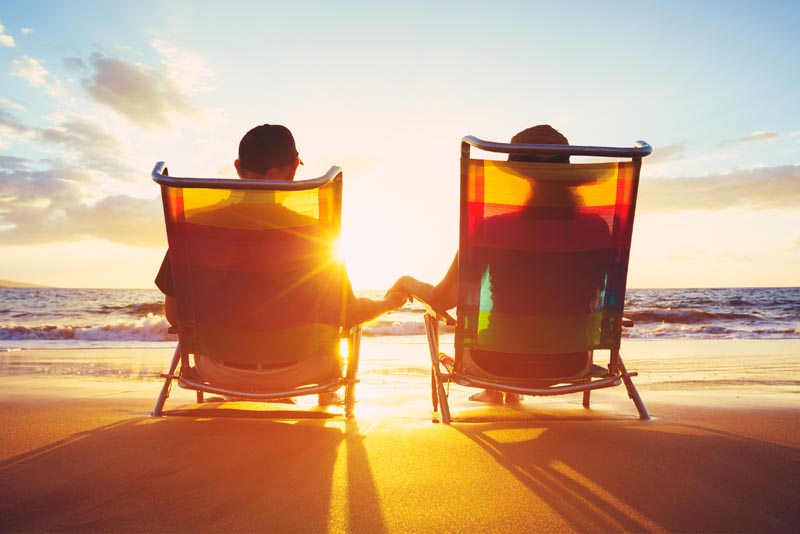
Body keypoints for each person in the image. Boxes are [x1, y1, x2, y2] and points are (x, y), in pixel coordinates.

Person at [156, 124, 409, 403]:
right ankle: (324, 398)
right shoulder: (316, 236)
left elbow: (175, 315)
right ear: (287, 172)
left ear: (238, 167)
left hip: (216, 372)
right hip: (303, 371)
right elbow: (347, 315)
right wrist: (388, 303)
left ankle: (241, 391)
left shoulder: (193, 230)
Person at [390, 124, 609, 404]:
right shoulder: (598, 229)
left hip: (494, 363)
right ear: (568, 175)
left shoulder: (493, 229)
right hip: (572, 362)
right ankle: (502, 391)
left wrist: (407, 282)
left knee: (500, 331)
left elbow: (442, 299)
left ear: (522, 178)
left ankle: (496, 388)